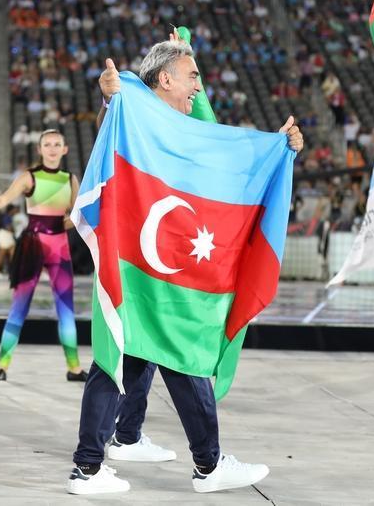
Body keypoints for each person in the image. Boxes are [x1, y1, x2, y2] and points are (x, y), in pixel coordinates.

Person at [67, 41, 303, 495]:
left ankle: (95, 461)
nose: (199, 85)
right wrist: (109, 97)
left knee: (128, 356)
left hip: (162, 271)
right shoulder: (134, 111)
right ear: (165, 78)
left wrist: (280, 148)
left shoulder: (187, 131)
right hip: (147, 270)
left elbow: (229, 163)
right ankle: (205, 465)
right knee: (177, 355)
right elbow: (112, 120)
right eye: (193, 76)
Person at [0, 130, 88, 382]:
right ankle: (2, 367)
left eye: (57, 144)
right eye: (47, 144)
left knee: (66, 310)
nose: (52, 148)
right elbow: (0, 202)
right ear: (39, 149)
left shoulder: (70, 180)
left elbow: (79, 216)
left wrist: (60, 225)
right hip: (32, 247)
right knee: (19, 307)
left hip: (59, 248)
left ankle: (74, 368)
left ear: (65, 149)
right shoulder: (29, 177)